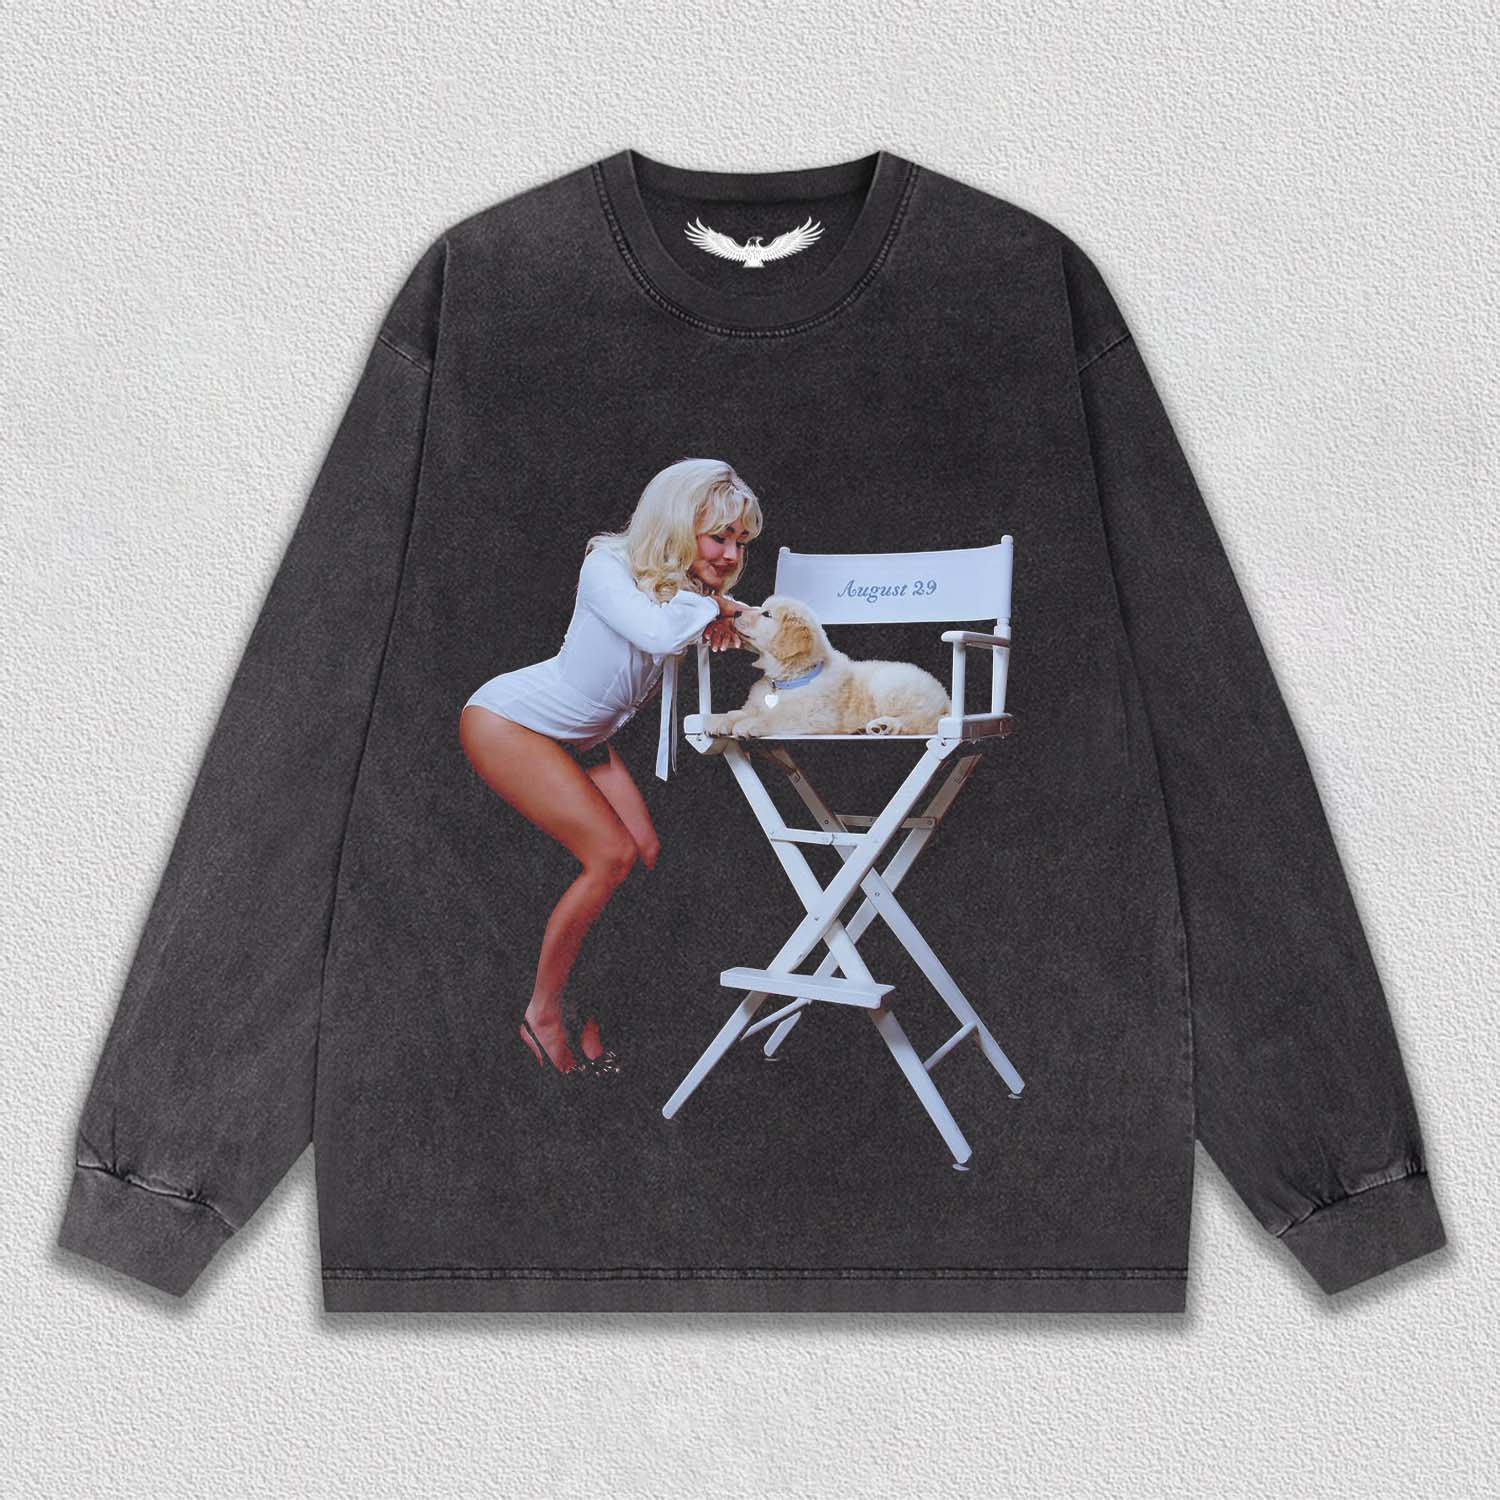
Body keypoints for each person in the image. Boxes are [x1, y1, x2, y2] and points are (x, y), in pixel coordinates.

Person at [458, 458, 763, 1077]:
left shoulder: (683, 589)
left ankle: (585, 1005)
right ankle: (542, 1013)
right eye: (719, 536)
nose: (731, 554)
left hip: (582, 739)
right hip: (509, 723)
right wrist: (714, 610)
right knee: (610, 856)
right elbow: (655, 633)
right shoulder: (607, 565)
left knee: (642, 853)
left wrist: (724, 613)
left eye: (740, 540)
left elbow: (717, 621)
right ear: (676, 524)